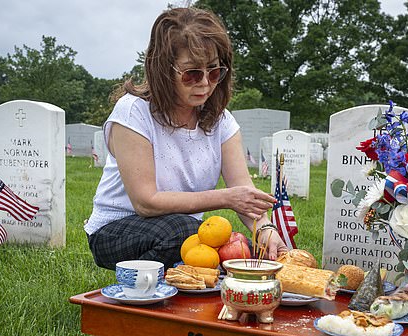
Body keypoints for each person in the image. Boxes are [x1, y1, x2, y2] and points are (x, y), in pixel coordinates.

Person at [84, 7, 288, 270]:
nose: (204, 83)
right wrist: (226, 197)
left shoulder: (221, 120)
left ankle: (198, 290)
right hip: (117, 230)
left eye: (214, 72)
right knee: (183, 232)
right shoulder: (134, 111)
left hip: (185, 231)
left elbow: (243, 193)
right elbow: (146, 202)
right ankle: (144, 289)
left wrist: (265, 229)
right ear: (163, 69)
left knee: (244, 252)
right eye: (192, 73)